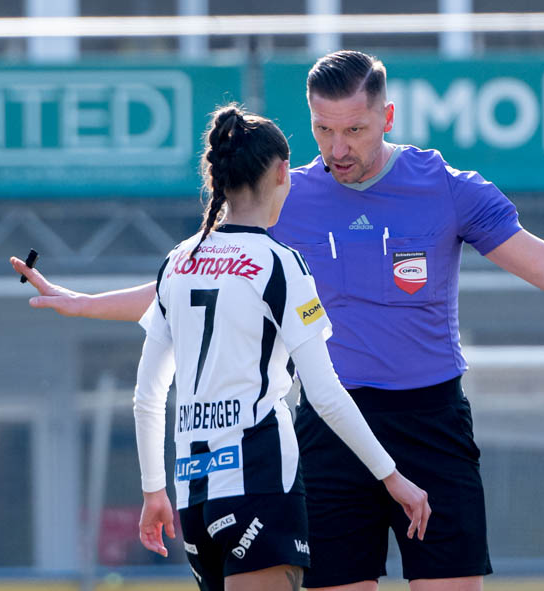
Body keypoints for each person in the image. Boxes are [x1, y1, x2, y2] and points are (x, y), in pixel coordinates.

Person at [12, 50, 544, 591]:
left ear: (387, 116)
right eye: (322, 129)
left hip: (431, 419)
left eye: (354, 129)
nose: (337, 147)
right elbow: (197, 282)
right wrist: (81, 300)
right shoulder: (287, 195)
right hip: (327, 431)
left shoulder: (448, 188)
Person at [130, 103, 429, 591]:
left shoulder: (176, 262)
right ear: (282, 171)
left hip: (193, 496)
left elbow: (147, 396)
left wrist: (152, 490)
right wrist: (392, 477)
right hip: (261, 487)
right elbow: (326, 395)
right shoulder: (279, 263)